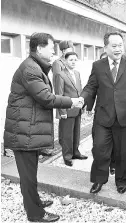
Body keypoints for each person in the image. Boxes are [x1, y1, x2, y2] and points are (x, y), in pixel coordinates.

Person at [3, 33, 82, 222]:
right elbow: (46, 97)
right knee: (28, 176)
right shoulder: (30, 69)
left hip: (27, 130)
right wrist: (71, 101)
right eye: (51, 47)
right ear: (39, 48)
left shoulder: (34, 65)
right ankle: (35, 214)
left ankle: (34, 202)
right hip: (24, 132)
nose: (54, 51)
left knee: (30, 172)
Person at [79, 32, 126, 194]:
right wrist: (83, 99)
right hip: (103, 115)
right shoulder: (98, 65)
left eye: (120, 45)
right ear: (106, 47)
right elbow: (91, 86)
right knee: (99, 148)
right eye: (114, 46)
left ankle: (122, 181)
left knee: (124, 152)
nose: (118, 49)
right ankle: (98, 180)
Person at [54, 52, 87, 167]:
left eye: (75, 60)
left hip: (77, 108)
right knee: (67, 135)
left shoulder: (77, 73)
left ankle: (75, 152)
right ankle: (67, 156)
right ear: (65, 61)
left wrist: (82, 104)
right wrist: (61, 112)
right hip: (67, 110)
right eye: (71, 60)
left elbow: (80, 89)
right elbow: (59, 94)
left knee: (76, 133)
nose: (73, 62)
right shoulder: (60, 75)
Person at [86, 51, 116, 175]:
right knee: (99, 144)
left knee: (115, 143)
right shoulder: (98, 70)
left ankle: (113, 163)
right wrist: (88, 107)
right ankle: (100, 171)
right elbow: (92, 89)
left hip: (119, 113)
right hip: (102, 112)